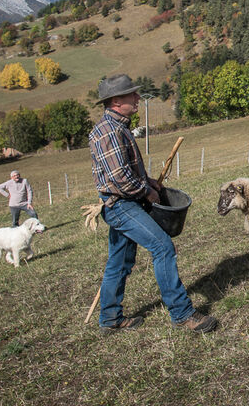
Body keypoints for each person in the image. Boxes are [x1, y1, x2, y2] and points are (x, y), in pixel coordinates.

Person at [89, 73, 217, 335]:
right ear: (116, 101)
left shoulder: (116, 127)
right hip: (122, 206)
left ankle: (110, 318)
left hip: (122, 202)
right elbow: (120, 180)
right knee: (163, 247)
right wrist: (147, 192)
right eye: (131, 95)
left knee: (119, 262)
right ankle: (182, 314)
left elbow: (125, 170)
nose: (137, 98)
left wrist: (148, 181)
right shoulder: (109, 132)